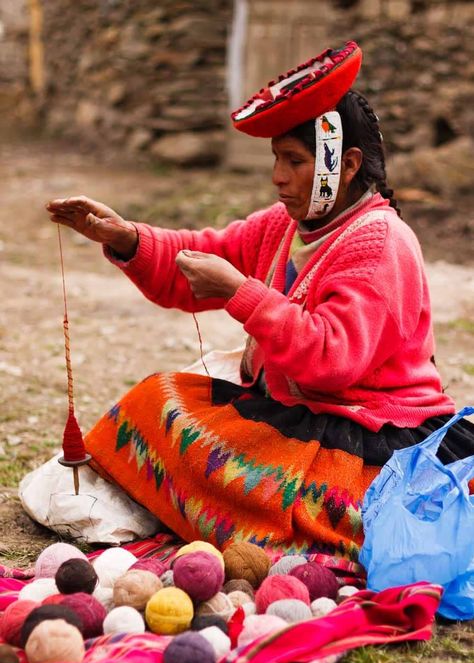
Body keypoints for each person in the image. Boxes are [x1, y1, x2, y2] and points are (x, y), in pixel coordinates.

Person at [46, 42, 473, 561]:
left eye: (294, 161)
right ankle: (248, 521)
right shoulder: (285, 225)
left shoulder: (379, 241)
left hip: (369, 439)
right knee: (154, 405)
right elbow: (202, 253)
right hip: (298, 417)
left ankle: (275, 526)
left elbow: (329, 361)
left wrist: (239, 293)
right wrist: (125, 237)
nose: (278, 176)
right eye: (276, 159)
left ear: (347, 163)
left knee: (320, 504)